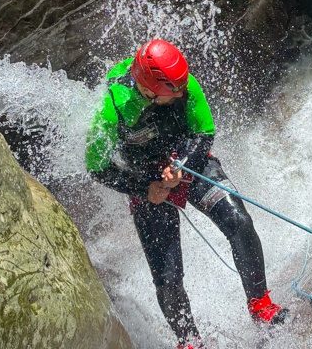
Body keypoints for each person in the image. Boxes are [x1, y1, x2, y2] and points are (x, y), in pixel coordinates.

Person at [85, 39, 287, 349]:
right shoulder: (111, 110)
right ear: (150, 90)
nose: (183, 93)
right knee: (168, 275)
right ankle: (189, 340)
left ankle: (261, 306)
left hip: (187, 161)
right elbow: (97, 168)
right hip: (144, 180)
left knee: (239, 222)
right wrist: (145, 187)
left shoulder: (182, 82)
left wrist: (184, 166)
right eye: (173, 93)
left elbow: (204, 132)